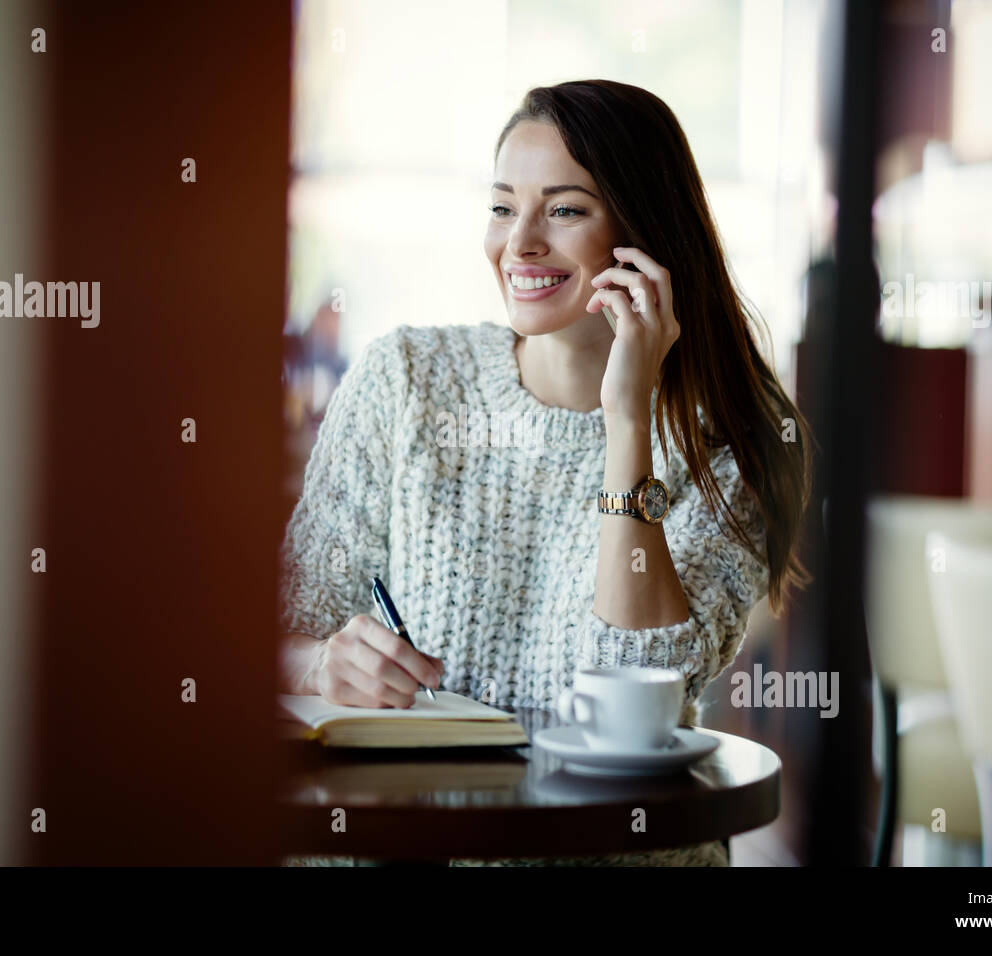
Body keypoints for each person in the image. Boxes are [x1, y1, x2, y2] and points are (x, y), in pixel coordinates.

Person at [278, 79, 812, 866]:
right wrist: (324, 663)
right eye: (502, 207)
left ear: (640, 230)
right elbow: (278, 632)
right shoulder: (405, 379)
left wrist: (628, 420)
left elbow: (643, 685)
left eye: (563, 210)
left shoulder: (727, 444)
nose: (519, 242)